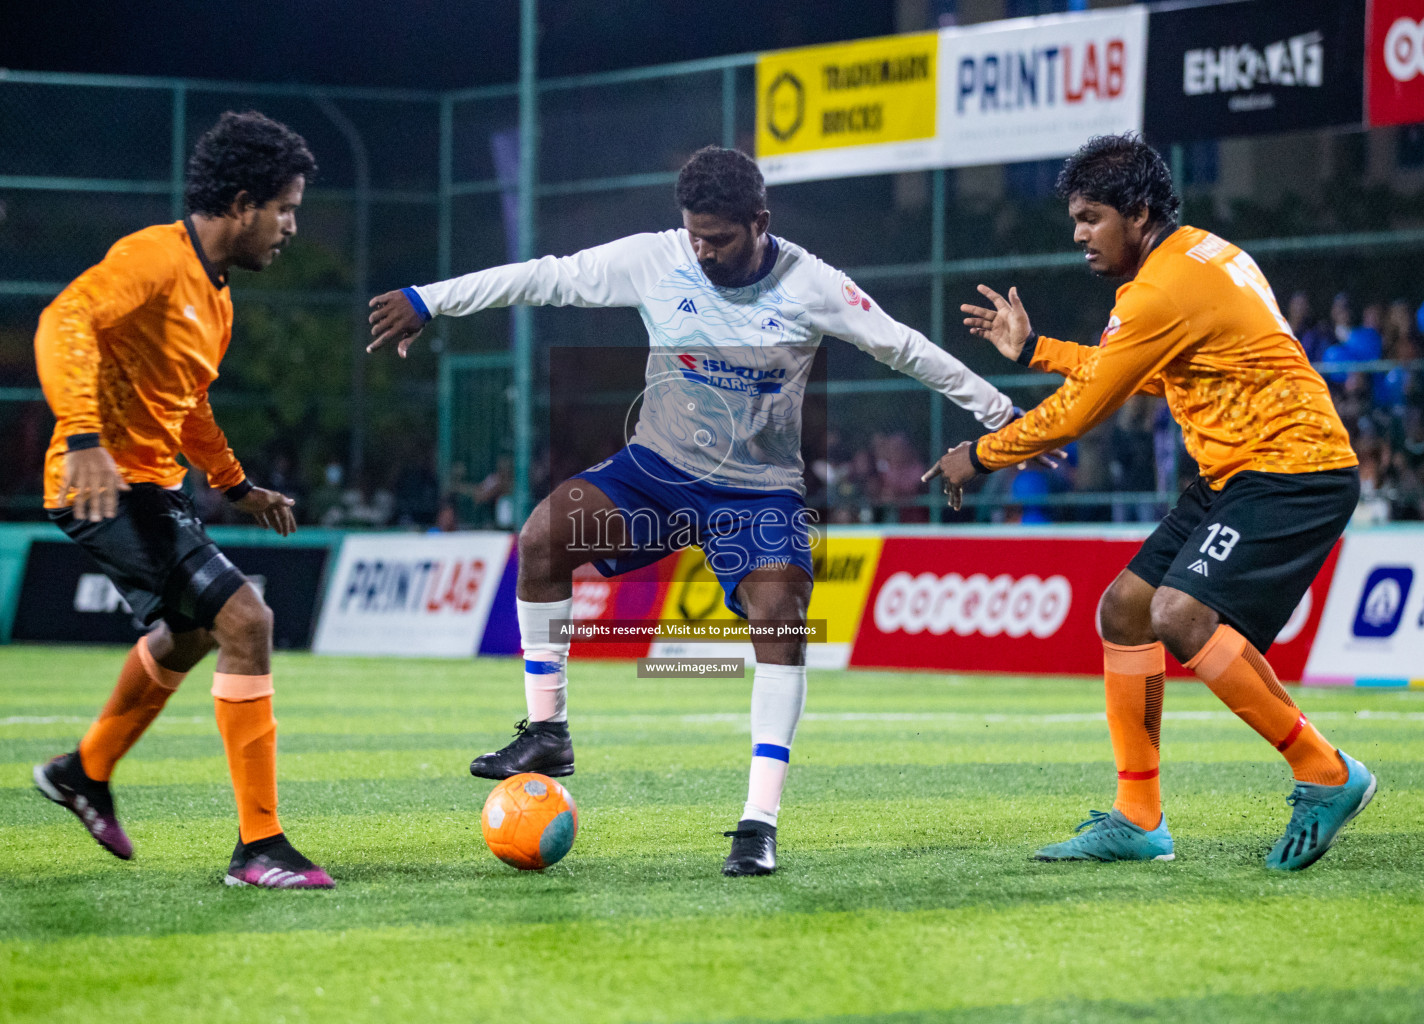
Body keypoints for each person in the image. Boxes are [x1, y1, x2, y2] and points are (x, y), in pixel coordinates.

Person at [368, 145, 1026, 876]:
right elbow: (543, 277)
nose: (704, 251)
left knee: (782, 615)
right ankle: (548, 730)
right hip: (656, 472)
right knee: (543, 536)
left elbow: (906, 348)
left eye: (719, 238)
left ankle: (758, 823)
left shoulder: (811, 284)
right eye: (695, 235)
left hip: (757, 493)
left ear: (759, 222)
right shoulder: (658, 258)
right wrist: (430, 299)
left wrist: (1003, 415)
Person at [930, 133, 1373, 872]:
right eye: (1074, 220)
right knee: (1126, 610)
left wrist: (976, 454)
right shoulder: (1201, 255)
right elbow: (1134, 370)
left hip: (1293, 469)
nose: (1078, 235)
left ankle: (1327, 772)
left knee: (1179, 614)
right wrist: (1037, 346)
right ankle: (1139, 819)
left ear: (1137, 213)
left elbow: (1081, 411)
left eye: (1090, 217)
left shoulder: (1160, 289)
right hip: (1238, 471)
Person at [30, 111, 333, 889]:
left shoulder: (218, 299)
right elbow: (65, 318)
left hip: (152, 489)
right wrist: (84, 435)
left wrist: (235, 484)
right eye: (286, 208)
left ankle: (83, 771)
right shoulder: (154, 259)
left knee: (195, 636)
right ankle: (259, 847)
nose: (291, 227)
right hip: (103, 484)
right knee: (247, 620)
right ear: (241, 202)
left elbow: (188, 404)